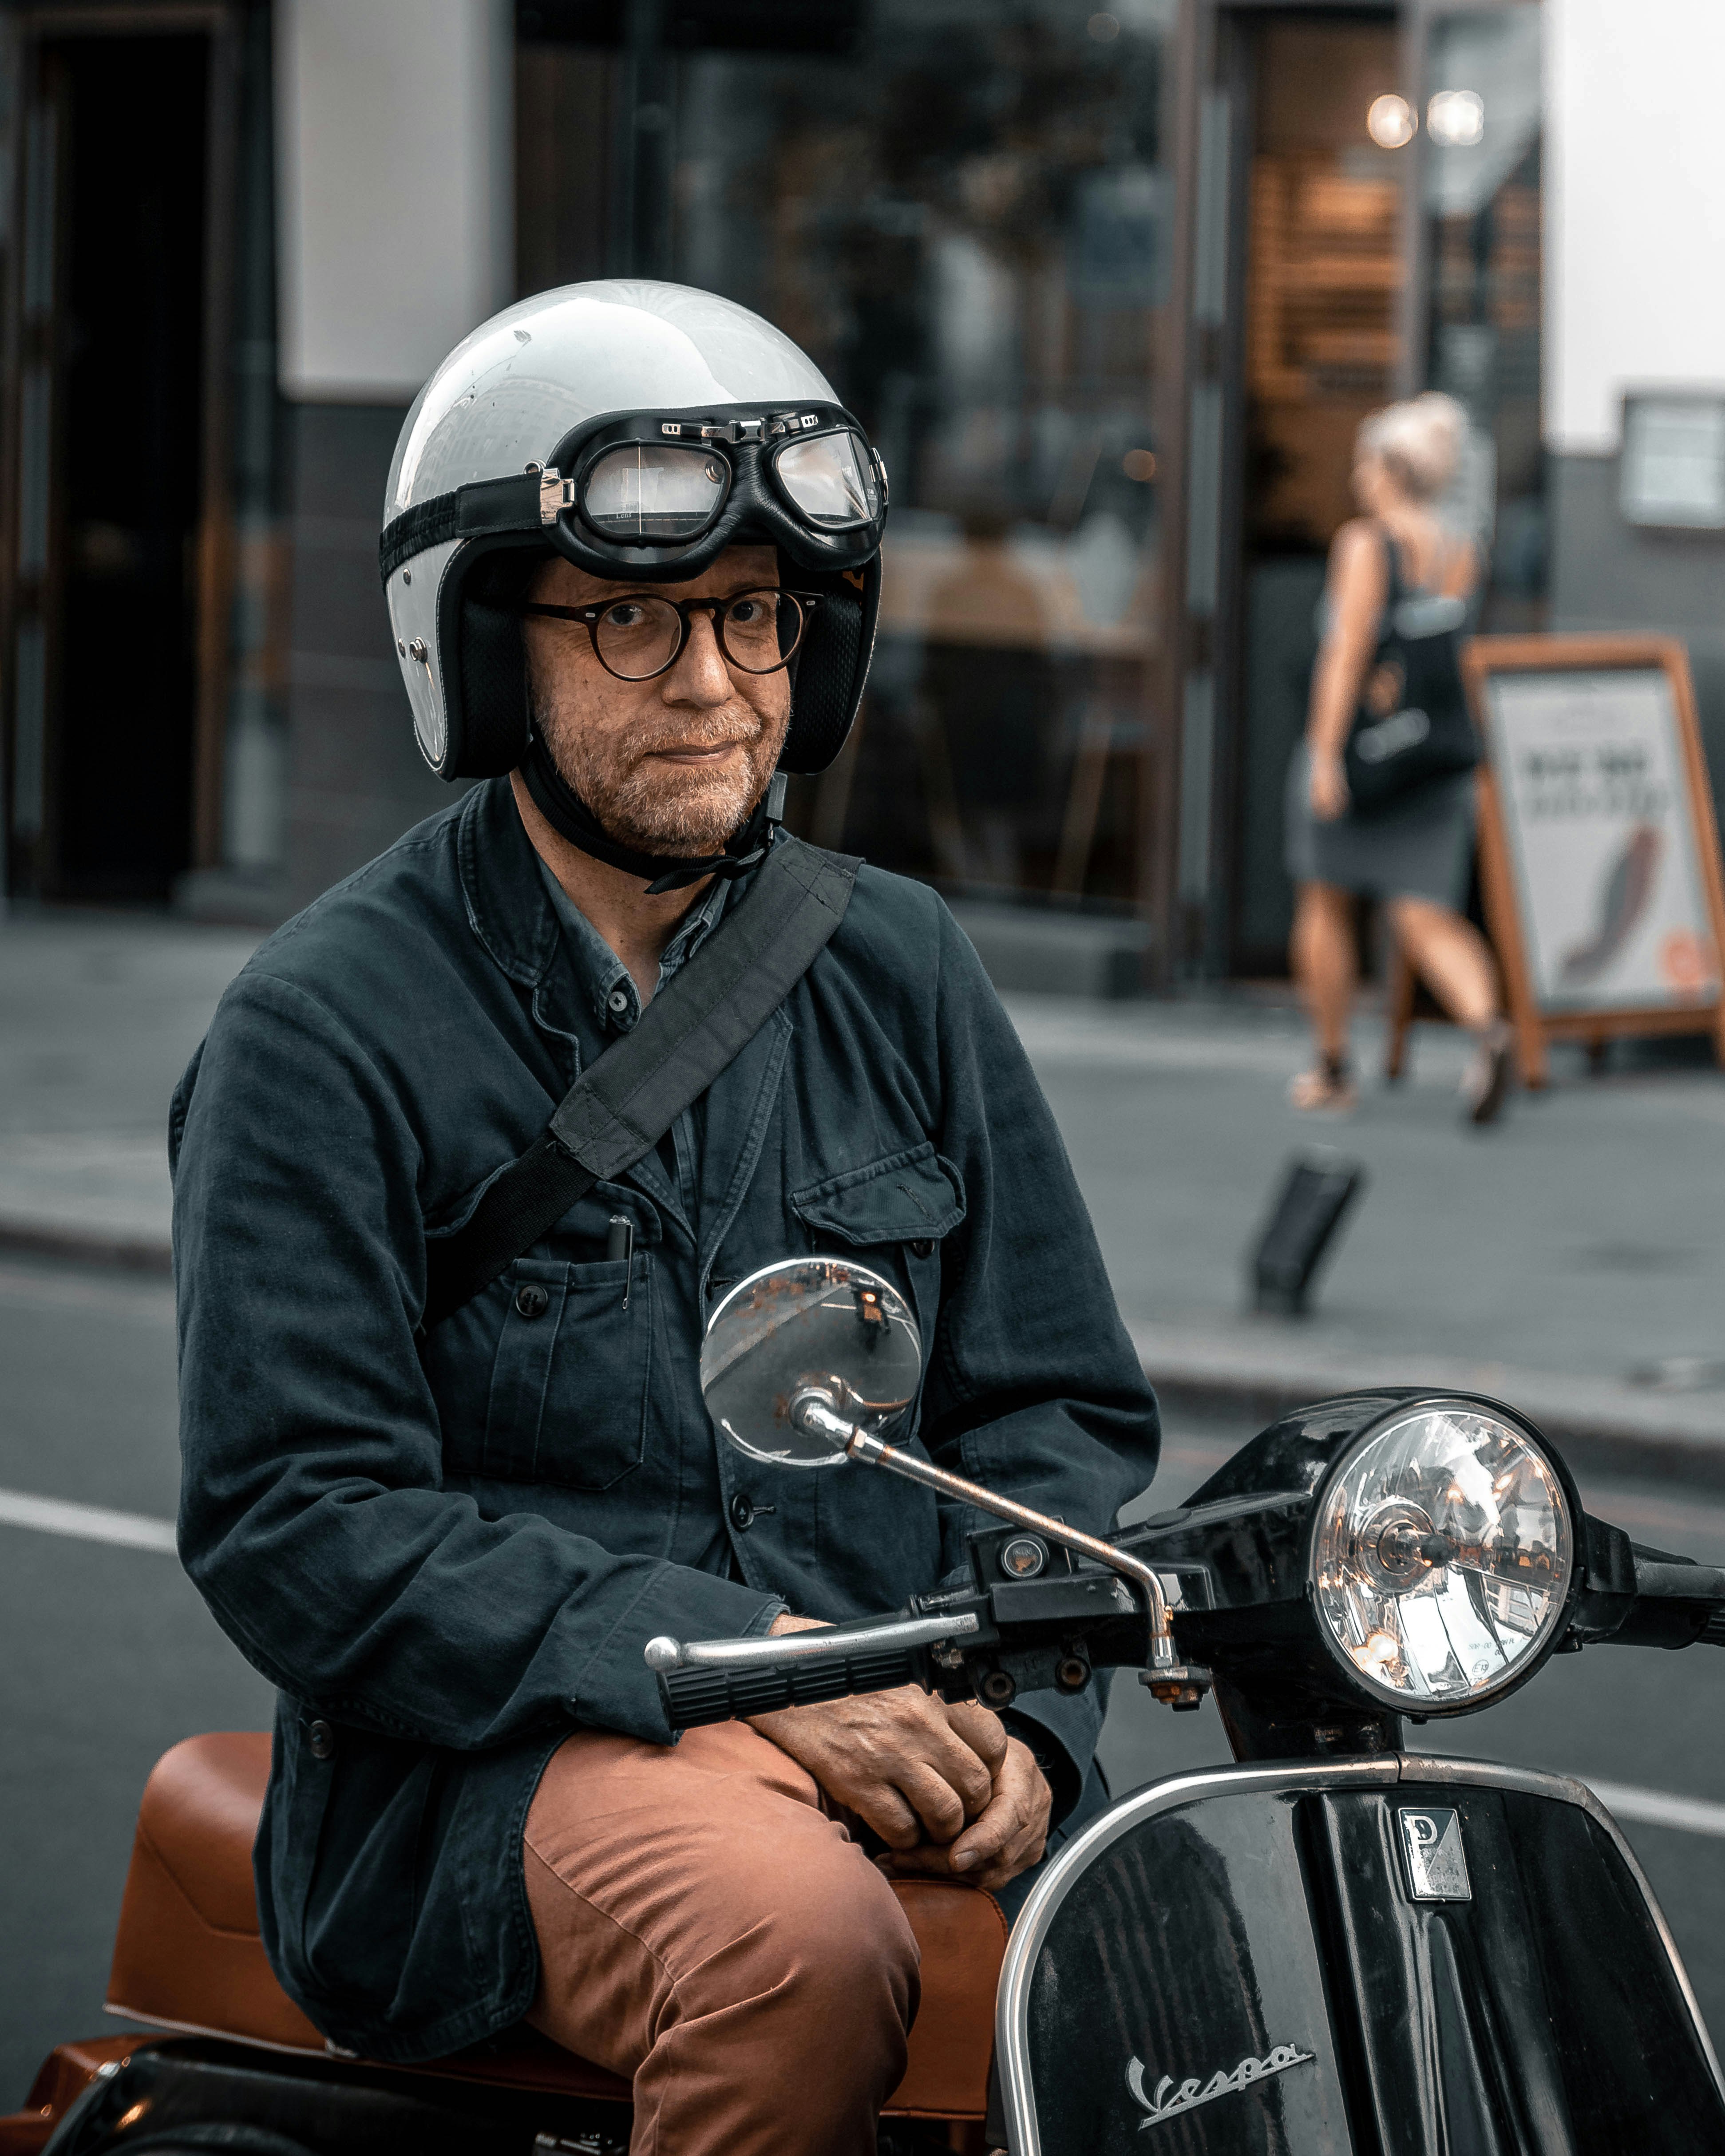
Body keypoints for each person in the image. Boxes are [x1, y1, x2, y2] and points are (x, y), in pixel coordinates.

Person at [169, 282, 1158, 2156]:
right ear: (479, 643)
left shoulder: (903, 965)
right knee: (790, 1943)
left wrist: (1024, 1719)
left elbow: (1059, 1417)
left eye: (754, 613)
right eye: (630, 616)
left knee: (1201, 1980)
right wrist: (746, 1670)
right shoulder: (323, 1026)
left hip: (898, 1717)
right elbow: (294, 1517)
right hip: (492, 1767)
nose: (713, 681)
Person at [1284, 391, 1514, 1124]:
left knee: (1325, 898)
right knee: (1425, 914)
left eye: (1363, 457)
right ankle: (1488, 1027)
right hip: (1433, 756)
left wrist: (1324, 757)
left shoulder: (1365, 542)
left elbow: (1346, 653)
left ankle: (1331, 1066)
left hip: (1365, 751)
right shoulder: (1458, 548)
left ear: (1388, 467)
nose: (1357, 472)